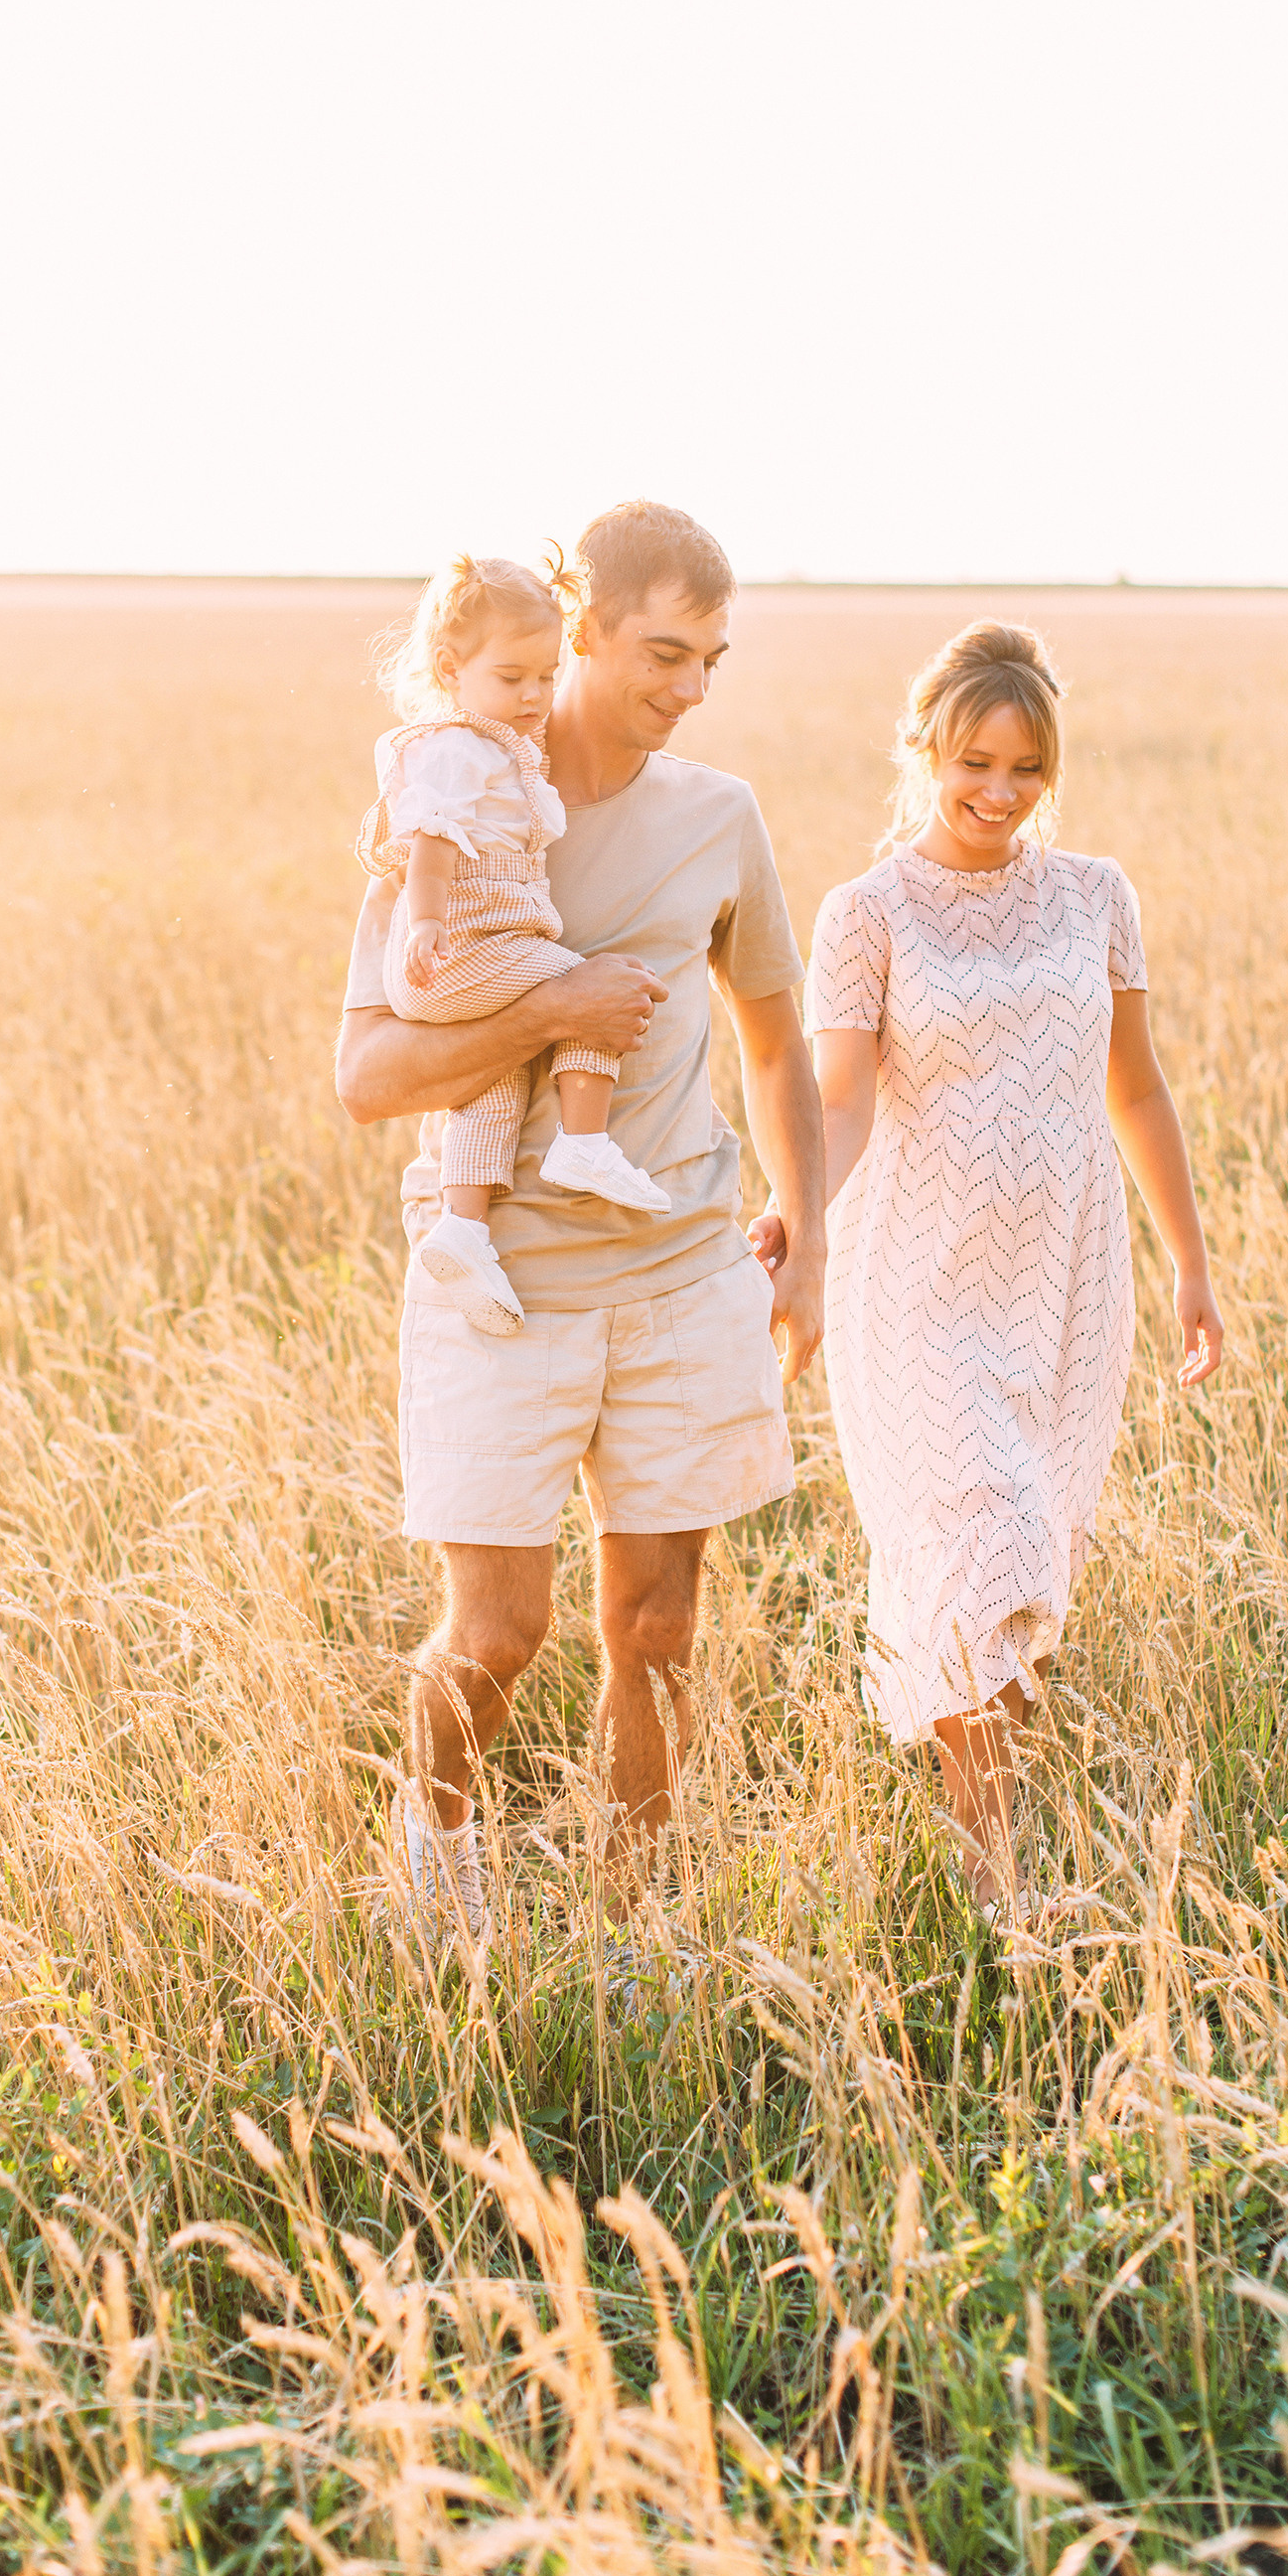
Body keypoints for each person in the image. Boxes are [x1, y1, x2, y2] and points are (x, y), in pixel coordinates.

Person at [336, 501, 825, 1923]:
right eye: (663, 652)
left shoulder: (722, 816)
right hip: (506, 1289)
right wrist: (558, 1001)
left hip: (685, 1276)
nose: (687, 688)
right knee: (495, 1635)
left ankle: (637, 1927)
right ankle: (433, 1885)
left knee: (657, 1633)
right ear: (578, 628)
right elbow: (369, 1075)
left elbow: (777, 1044)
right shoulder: (459, 796)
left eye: (711, 662)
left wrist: (809, 1241)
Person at [794, 619, 1222, 1910]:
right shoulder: (862, 915)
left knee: (1029, 1573)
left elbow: (1137, 1091)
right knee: (982, 1548)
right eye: (975, 760)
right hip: (917, 1277)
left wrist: (1193, 1267)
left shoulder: (1098, 895)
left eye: (1026, 770)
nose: (997, 793)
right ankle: (1000, 1892)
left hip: (1066, 1278)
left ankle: (985, 1841)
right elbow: (845, 1103)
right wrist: (798, 1221)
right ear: (925, 747)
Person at [358, 552, 673, 1341]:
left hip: (469, 947)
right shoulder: (455, 748)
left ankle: (463, 1228)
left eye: (546, 674)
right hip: (458, 947)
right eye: (511, 678)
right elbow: (430, 838)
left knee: (493, 1081)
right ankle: (582, 1140)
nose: (534, 695)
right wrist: (427, 921)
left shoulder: (498, 745)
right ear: (450, 668)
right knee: (587, 987)